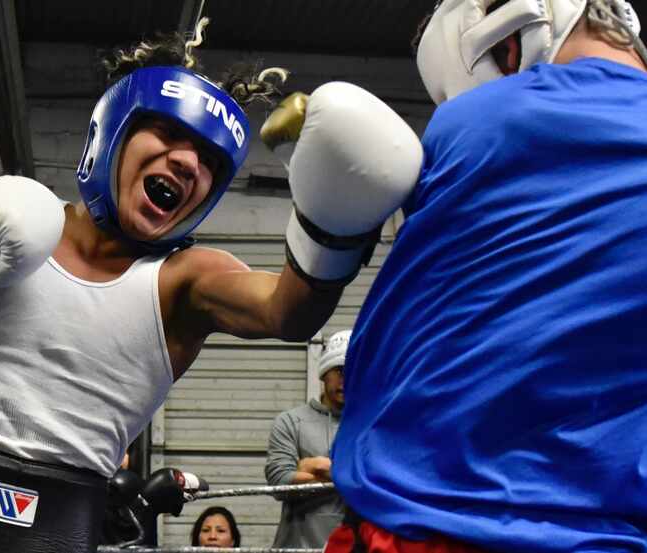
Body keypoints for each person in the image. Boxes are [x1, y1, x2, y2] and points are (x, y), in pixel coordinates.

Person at [0, 16, 422, 553]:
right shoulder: (10, 224)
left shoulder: (185, 279)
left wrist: (334, 226)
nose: (186, 163)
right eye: (169, 134)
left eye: (208, 161)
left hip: (61, 525)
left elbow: (287, 312)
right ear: (111, 136)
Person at [271, 1, 646, 552]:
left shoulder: (474, 122)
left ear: (505, 44)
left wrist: (318, 236)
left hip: (432, 520)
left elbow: (293, 314)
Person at [265, 330, 349, 549]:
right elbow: (279, 480)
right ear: (324, 373)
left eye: (355, 371)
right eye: (339, 370)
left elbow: (377, 482)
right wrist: (348, 477)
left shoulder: (371, 426)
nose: (346, 379)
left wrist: (315, 465)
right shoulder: (291, 421)